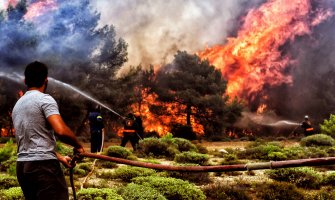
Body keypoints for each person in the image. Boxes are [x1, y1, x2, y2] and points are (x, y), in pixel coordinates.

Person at [12, 61, 84, 200]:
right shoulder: (45, 99)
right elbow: (61, 131)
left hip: (23, 167)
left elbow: (32, 142)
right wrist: (78, 146)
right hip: (43, 168)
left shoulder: (18, 105)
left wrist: (60, 157)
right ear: (46, 80)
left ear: (25, 80)